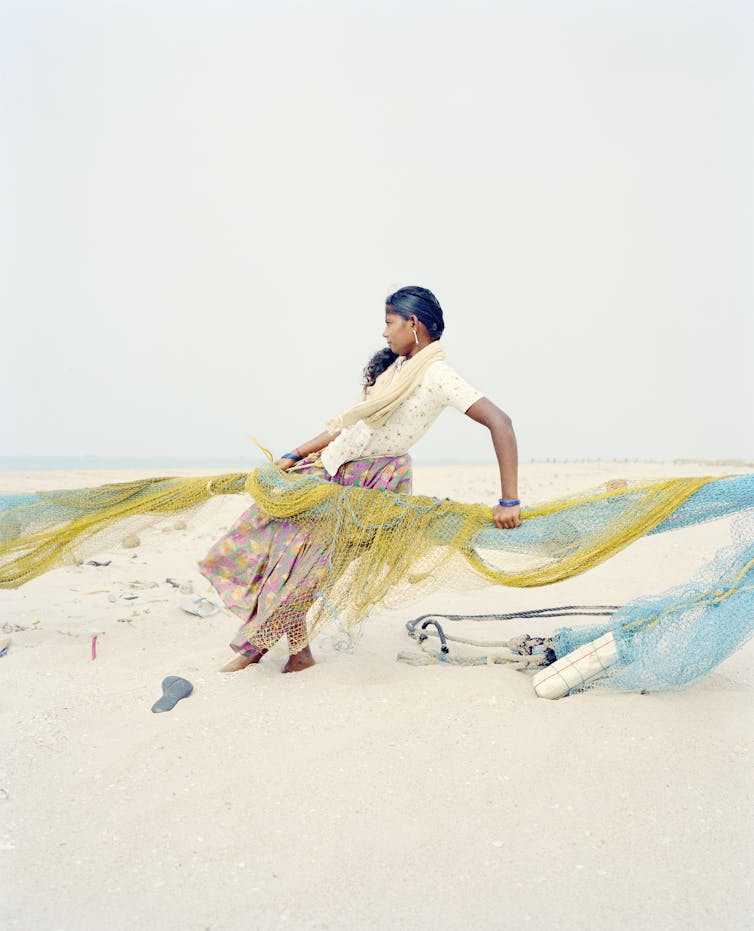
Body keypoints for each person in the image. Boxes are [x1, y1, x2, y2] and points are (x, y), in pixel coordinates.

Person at [199, 286, 521, 673]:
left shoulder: (437, 374)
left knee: (308, 565)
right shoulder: (395, 369)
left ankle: (257, 648)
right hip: (333, 467)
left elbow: (500, 422)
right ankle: (298, 653)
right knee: (275, 546)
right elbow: (351, 426)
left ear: (413, 324)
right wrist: (298, 453)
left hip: (370, 484)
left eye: (389, 324)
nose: (384, 334)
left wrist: (509, 501)